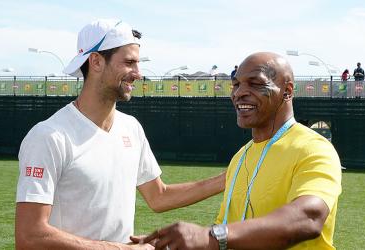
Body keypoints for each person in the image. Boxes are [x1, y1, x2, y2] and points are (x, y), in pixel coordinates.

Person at [15, 19, 225, 250]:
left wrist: (229, 178)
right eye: (129, 63)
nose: (138, 73)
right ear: (95, 61)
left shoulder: (131, 127)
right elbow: (29, 236)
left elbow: (159, 196)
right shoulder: (49, 136)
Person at [140, 52, 342, 250]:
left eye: (255, 84)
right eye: (236, 85)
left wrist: (211, 237)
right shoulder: (240, 157)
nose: (238, 93)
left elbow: (308, 217)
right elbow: (227, 229)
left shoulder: (313, 148)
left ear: (287, 91)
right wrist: (171, 245)